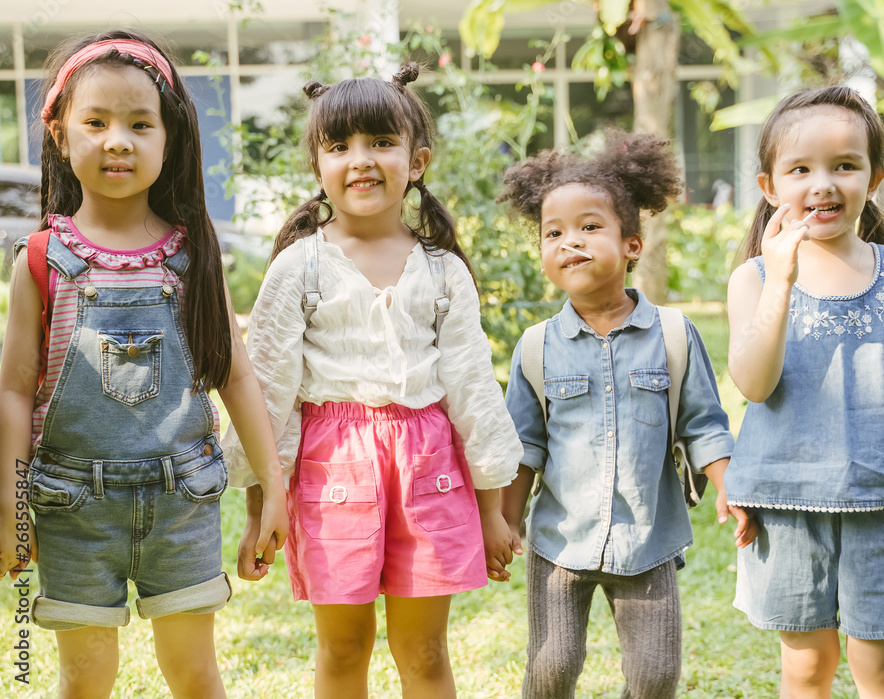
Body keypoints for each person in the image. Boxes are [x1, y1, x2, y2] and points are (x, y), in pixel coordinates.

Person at [0, 29, 288, 699]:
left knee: (194, 676)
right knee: (84, 680)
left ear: (170, 139)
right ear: (61, 137)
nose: (117, 140)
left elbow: (235, 373)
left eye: (138, 123)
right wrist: (11, 499)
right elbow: (14, 391)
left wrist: (273, 485)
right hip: (72, 507)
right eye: (94, 122)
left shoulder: (194, 254)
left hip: (180, 503)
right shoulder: (40, 260)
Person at [220, 63, 522, 698]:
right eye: (340, 146)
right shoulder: (298, 268)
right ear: (319, 166)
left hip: (429, 471)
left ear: (416, 161)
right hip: (332, 475)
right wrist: (258, 509)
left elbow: (472, 386)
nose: (361, 160)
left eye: (381, 142)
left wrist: (492, 509)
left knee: (426, 652)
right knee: (343, 648)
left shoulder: (442, 272)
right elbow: (269, 392)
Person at [498, 130, 757, 699]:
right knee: (552, 665)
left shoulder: (672, 335)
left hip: (648, 537)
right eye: (554, 233)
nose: (572, 242)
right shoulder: (537, 346)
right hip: (560, 538)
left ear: (632, 244)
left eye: (590, 227)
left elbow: (703, 425)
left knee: (654, 674)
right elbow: (525, 446)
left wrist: (726, 487)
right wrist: (506, 521)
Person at [725, 86, 884, 698]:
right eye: (800, 169)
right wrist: (780, 278)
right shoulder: (751, 279)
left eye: (845, 166)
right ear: (769, 187)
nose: (822, 184)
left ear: (874, 177)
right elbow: (753, 383)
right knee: (805, 668)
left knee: (879, 671)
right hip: (787, 505)